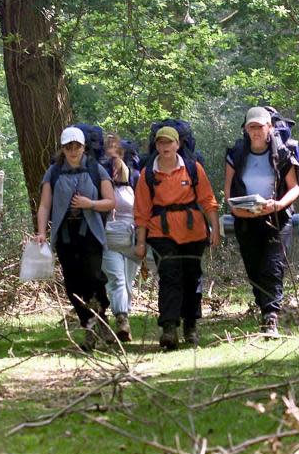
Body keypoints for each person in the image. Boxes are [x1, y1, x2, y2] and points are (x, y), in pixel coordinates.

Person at [134, 126, 220, 350]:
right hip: (161, 233)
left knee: (192, 278)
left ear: (177, 145)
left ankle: (190, 325)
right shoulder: (148, 174)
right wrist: (141, 242)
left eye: (169, 143)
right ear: (156, 146)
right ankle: (169, 328)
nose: (165, 147)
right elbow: (141, 211)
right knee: (170, 276)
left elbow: (208, 200)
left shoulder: (192, 169)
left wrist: (216, 229)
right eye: (161, 143)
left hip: (193, 232)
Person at [34, 126, 116, 350]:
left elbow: (110, 201)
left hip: (91, 233)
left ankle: (102, 320)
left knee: (93, 277)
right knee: (72, 284)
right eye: (68, 147)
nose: (73, 150)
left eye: (77, 146)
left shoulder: (96, 169)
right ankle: (88, 326)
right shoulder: (54, 172)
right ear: (63, 148)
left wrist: (90, 204)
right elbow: (44, 205)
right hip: (65, 236)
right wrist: (41, 232)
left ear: (83, 147)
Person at [225, 106, 299, 337]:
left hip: (276, 219)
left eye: (260, 126)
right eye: (252, 127)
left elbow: (294, 188)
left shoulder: (283, 154)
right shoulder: (236, 155)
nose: (256, 131)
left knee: (272, 266)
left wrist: (278, 205)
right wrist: (237, 211)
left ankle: (271, 316)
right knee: (254, 269)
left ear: (269, 127)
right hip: (246, 221)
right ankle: (264, 309)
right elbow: (228, 191)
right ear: (246, 130)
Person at [100, 134, 140, 342]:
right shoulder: (100, 180)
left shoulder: (135, 179)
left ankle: (125, 313)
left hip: (132, 239)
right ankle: (122, 318)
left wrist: (143, 241)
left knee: (128, 283)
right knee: (117, 279)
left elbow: (143, 210)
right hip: (108, 238)